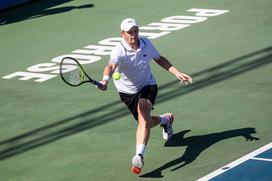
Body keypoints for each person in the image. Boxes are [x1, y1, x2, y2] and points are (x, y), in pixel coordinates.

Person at [98, 18, 192, 174]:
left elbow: (159, 59)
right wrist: (105, 80)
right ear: (122, 34)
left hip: (148, 86)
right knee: (146, 122)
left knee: (143, 110)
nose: (134, 35)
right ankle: (166, 119)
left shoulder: (146, 44)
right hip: (127, 93)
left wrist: (176, 72)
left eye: (136, 31)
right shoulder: (118, 50)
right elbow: (110, 66)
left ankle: (139, 156)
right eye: (130, 32)